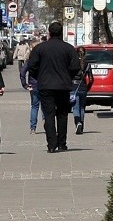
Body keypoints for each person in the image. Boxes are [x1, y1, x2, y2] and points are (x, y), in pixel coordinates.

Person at [24, 21, 79, 153]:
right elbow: (76, 67)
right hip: (63, 85)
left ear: (49, 32)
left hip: (45, 85)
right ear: (61, 33)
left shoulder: (40, 48)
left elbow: (32, 66)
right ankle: (61, 143)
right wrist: (68, 76)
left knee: (48, 114)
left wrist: (39, 77)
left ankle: (51, 144)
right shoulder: (68, 48)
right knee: (62, 114)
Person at [20, 40, 43, 134]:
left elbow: (22, 72)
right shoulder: (44, 59)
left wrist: (25, 84)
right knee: (45, 106)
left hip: (33, 85)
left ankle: (33, 128)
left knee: (34, 106)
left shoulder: (30, 60)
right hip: (44, 84)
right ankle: (46, 123)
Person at [70, 47, 94, 135]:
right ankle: (81, 126)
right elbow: (91, 79)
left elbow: (69, 75)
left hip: (74, 87)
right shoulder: (87, 64)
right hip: (83, 87)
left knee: (75, 107)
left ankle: (78, 123)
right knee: (82, 107)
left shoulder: (72, 63)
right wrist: (87, 88)